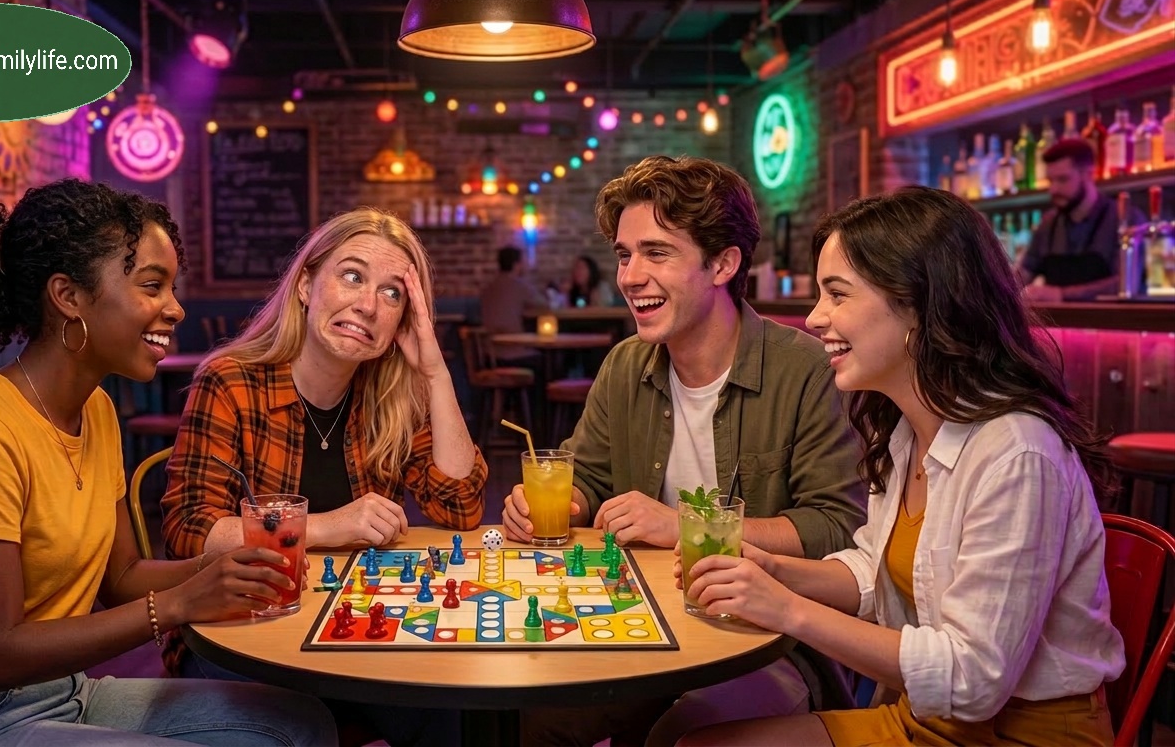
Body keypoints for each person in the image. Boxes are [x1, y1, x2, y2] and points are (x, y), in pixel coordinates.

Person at [0, 179, 336, 746]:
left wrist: (242, 567)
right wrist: (177, 603)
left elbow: (122, 579)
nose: (175, 308)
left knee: (300, 723)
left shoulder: (94, 409)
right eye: (152, 286)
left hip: (63, 692)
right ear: (68, 297)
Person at [679, 185, 1124, 746]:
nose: (815, 318)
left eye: (837, 294)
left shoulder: (1017, 451)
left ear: (917, 303)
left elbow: (973, 680)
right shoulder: (907, 430)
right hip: (924, 719)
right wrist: (772, 569)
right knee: (689, 736)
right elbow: (876, 570)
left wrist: (786, 608)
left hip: (1020, 734)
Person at [501, 156, 868, 745]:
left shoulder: (803, 367)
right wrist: (553, 502)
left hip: (766, 643)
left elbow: (838, 528)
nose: (629, 275)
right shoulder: (625, 365)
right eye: (624, 254)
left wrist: (685, 527)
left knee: (677, 736)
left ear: (723, 263)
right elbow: (586, 477)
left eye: (657, 252)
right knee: (531, 719)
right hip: (637, 621)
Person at [160, 206, 486, 747]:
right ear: (308, 285)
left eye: (392, 294)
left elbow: (461, 506)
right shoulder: (231, 381)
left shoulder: (391, 398)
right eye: (352, 276)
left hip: (359, 634)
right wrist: (327, 526)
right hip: (245, 637)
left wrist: (433, 369)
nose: (367, 304)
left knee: (460, 715)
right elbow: (190, 531)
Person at [1017, 138, 1142, 302]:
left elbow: (1126, 284)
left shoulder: (1124, 219)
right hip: (1058, 326)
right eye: (1050, 181)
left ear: (1089, 174)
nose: (1053, 189)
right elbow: (1022, 276)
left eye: (1062, 180)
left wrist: (1061, 294)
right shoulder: (1047, 224)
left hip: (1114, 324)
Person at [479, 245, 548, 363]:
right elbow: (545, 305)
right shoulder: (519, 285)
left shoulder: (487, 288)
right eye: (522, 262)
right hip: (513, 353)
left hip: (489, 355)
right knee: (545, 359)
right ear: (516, 265)